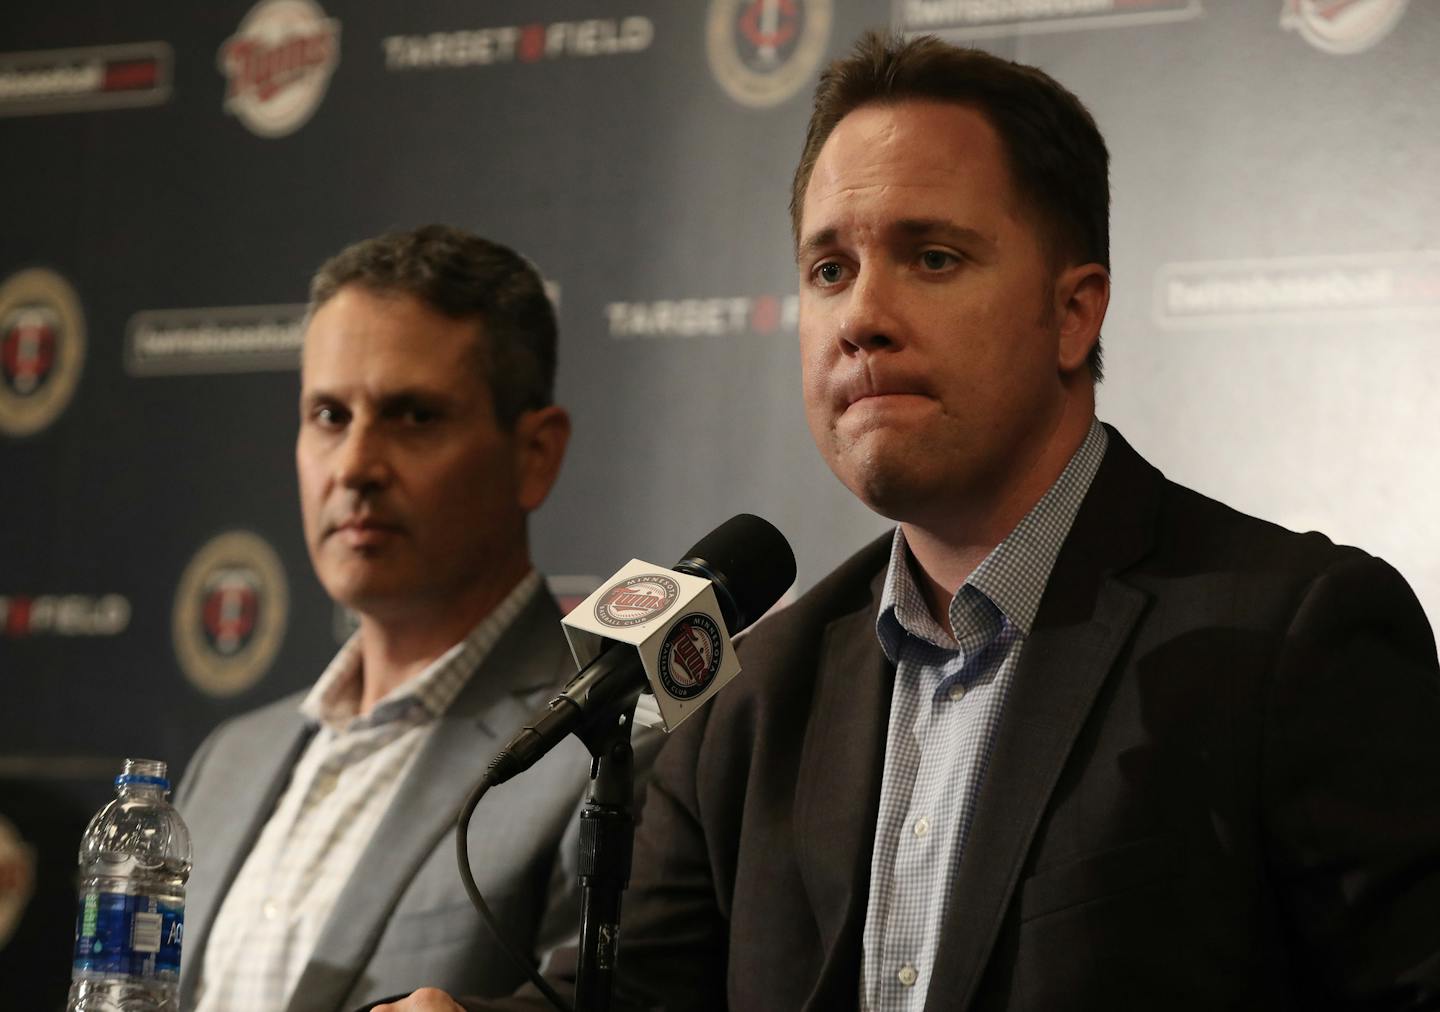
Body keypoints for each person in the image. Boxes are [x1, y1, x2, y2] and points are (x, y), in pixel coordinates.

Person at [383, 32, 1440, 1012]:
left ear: (1074, 312)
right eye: (828, 269)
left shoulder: (1293, 634)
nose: (862, 317)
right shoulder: (747, 702)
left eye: (932, 258)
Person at [175, 224, 598, 1012]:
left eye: (413, 417)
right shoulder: (227, 762)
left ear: (534, 454)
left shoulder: (604, 743)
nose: (356, 467)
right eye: (330, 416)